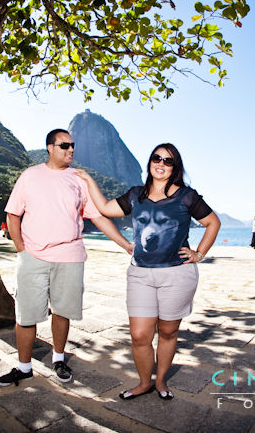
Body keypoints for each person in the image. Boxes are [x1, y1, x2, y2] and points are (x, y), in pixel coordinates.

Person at [75, 143, 220, 401]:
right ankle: (144, 383)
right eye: (157, 158)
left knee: (167, 332)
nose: (161, 164)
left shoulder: (186, 196)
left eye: (168, 161)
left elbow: (212, 222)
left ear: (175, 168)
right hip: (141, 274)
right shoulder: (136, 195)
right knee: (140, 334)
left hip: (177, 275)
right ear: (150, 161)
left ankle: (161, 381)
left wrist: (199, 253)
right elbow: (106, 209)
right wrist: (87, 179)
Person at [0, 129, 133, 388]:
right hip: (33, 256)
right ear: (49, 147)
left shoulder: (78, 180)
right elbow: (13, 214)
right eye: (64, 145)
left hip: (70, 256)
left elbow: (98, 216)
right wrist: (21, 250)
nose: (71, 150)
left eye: (73, 146)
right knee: (25, 315)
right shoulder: (30, 176)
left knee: (62, 311)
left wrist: (125, 244)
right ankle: (24, 367)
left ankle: (58, 359)